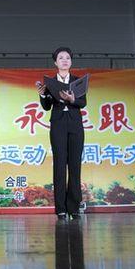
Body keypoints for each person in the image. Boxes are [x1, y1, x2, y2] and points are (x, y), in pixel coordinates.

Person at [37, 47, 86, 220]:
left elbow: (83, 103)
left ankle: (74, 207)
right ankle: (61, 209)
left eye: (67, 58)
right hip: (58, 124)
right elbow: (46, 107)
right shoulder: (50, 83)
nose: (65, 60)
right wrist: (43, 95)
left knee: (75, 165)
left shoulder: (78, 81)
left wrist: (72, 99)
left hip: (75, 124)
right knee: (59, 165)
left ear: (71, 62)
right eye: (61, 58)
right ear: (55, 62)